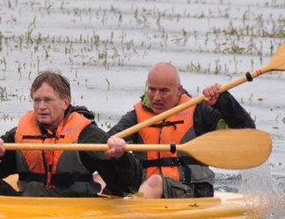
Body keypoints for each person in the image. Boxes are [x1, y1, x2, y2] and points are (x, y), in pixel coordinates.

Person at [0, 70, 142, 197]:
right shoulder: (19, 135)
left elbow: (127, 185)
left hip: (71, 207)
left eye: (48, 100)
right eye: (37, 100)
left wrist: (121, 157)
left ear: (65, 102)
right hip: (29, 205)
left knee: (34, 189)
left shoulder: (87, 135)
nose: (41, 106)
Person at [107, 62, 255, 199]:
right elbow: (106, 141)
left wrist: (222, 101)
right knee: (101, 178)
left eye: (164, 91)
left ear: (178, 91)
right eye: (152, 89)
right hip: (144, 189)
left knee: (155, 182)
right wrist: (115, 148)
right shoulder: (136, 116)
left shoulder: (199, 112)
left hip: (190, 190)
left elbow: (247, 132)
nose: (156, 97)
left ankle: (128, 214)